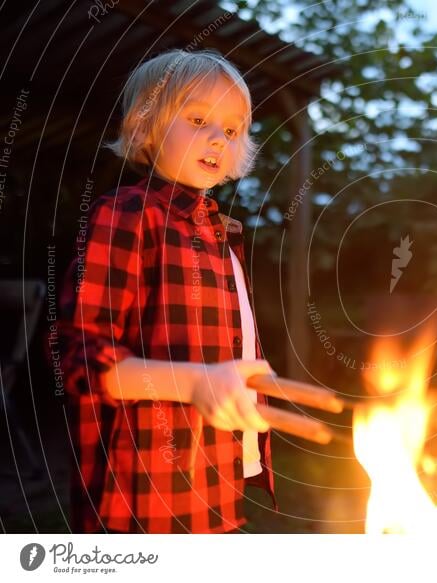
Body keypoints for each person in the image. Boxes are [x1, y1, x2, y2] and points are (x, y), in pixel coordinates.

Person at [54, 49, 276, 533]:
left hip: (219, 470)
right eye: (199, 118)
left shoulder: (223, 234)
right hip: (146, 487)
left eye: (232, 129)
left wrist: (253, 380)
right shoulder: (127, 217)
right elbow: (84, 362)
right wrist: (195, 382)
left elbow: (226, 348)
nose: (219, 137)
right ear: (145, 125)